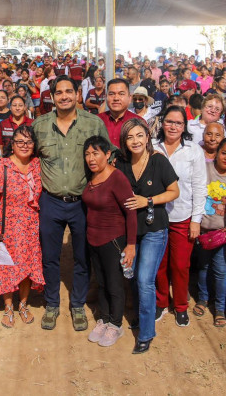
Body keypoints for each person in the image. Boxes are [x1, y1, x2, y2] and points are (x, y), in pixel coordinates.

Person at [32, 75, 110, 331]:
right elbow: (25, 157)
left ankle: (77, 304)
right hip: (50, 201)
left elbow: (108, 160)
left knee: (82, 256)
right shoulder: (40, 125)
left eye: (69, 91)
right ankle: (52, 303)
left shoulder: (94, 123)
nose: (64, 96)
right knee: (50, 257)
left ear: (78, 94)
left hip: (83, 201)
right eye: (59, 92)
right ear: (52, 97)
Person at [116, 119, 179, 354]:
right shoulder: (121, 164)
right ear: (124, 141)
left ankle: (145, 332)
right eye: (130, 137)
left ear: (147, 137)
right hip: (130, 231)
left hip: (154, 229)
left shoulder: (158, 161)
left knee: (145, 280)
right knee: (131, 276)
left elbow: (174, 191)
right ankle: (142, 317)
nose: (135, 141)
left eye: (140, 135)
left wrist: (148, 200)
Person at [0, 125, 45, 328]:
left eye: (29, 142)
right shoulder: (2, 166)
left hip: (30, 227)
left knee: (27, 267)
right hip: (7, 226)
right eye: (20, 141)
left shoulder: (37, 165)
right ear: (12, 144)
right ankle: (9, 306)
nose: (25, 146)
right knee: (6, 267)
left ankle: (24, 304)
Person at [153, 106, 206, 327]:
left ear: (184, 127)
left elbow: (199, 186)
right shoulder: (153, 147)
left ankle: (181, 306)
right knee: (159, 264)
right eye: (169, 121)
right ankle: (161, 302)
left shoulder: (193, 150)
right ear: (162, 123)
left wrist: (196, 219)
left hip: (182, 217)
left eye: (178, 123)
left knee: (181, 265)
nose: (173, 126)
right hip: (156, 216)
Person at [82, 134, 136, 346]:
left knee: (114, 284)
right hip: (93, 239)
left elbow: (130, 212)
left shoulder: (117, 178)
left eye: (96, 153)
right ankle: (103, 319)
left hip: (113, 239)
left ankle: (116, 324)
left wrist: (130, 245)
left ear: (107, 154)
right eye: (87, 154)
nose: (91, 158)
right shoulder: (92, 176)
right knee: (102, 282)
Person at [195, 138, 226, 327]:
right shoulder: (204, 170)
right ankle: (203, 298)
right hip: (204, 230)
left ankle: (220, 307)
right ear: (217, 152)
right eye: (224, 153)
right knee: (203, 266)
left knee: (221, 270)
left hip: (225, 233)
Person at [99, 78, 141, 147]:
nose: (116, 98)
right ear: (106, 97)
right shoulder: (97, 121)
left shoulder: (138, 122)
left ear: (129, 98)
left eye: (121, 94)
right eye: (111, 94)